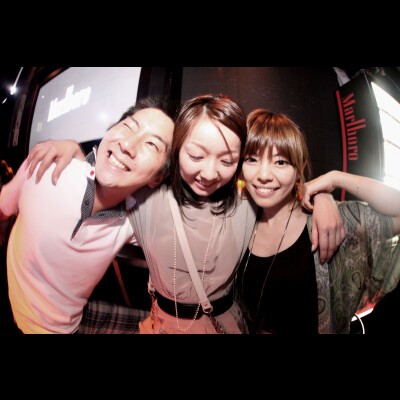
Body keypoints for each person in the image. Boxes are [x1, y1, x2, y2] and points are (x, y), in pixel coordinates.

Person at [27, 94, 345, 334]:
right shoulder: (147, 197)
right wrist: (79, 157)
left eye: (227, 160)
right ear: (176, 150)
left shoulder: (247, 202)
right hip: (161, 324)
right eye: (195, 155)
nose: (209, 173)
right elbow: (102, 190)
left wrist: (322, 195)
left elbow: (283, 189)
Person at [0, 96, 178, 333]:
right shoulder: (45, 167)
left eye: (152, 145)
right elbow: (3, 208)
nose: (128, 144)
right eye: (128, 126)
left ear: (158, 178)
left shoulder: (136, 220)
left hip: (70, 322)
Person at [235, 108, 400, 334]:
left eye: (280, 162)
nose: (263, 175)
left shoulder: (331, 223)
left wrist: (334, 179)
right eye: (252, 159)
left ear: (299, 169)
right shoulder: (238, 217)